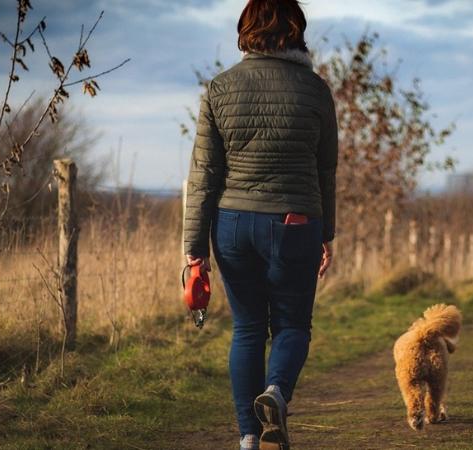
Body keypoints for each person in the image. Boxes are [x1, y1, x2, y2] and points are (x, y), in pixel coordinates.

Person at [182, 0, 337, 448]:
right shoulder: (315, 90)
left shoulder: (220, 88)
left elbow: (204, 174)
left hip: (231, 225)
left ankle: (249, 438)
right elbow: (326, 169)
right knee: (291, 326)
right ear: (296, 30)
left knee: (247, 328)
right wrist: (326, 233)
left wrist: (194, 247)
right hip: (294, 222)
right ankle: (275, 394)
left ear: (246, 30)